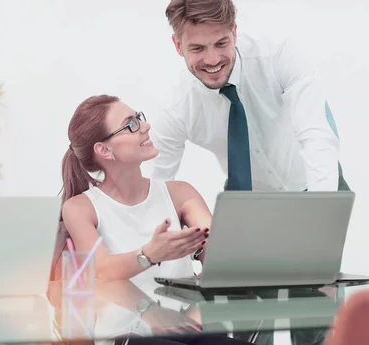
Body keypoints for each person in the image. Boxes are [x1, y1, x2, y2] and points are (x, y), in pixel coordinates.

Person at [59, 95, 252, 345]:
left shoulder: (181, 193)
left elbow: (219, 258)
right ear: (104, 150)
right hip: (127, 336)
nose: (145, 126)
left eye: (139, 118)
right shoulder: (80, 207)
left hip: (188, 328)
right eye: (131, 124)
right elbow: (102, 271)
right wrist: (149, 254)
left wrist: (210, 251)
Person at [150, 0, 349, 192]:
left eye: (221, 43)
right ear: (178, 45)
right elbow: (158, 187)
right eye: (198, 48)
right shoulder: (175, 107)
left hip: (319, 179)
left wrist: (321, 203)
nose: (212, 59)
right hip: (250, 200)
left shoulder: (278, 56)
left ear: (234, 33)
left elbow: (316, 134)